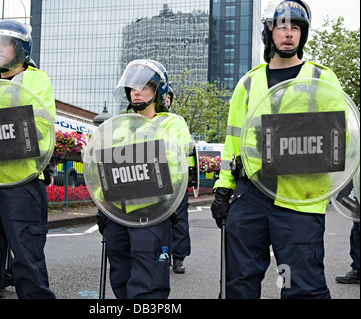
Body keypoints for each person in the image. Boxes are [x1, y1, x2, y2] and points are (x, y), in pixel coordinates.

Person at [211, 0, 343, 299]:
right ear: (269, 32)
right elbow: (233, 141)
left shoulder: (323, 79)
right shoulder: (246, 84)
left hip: (299, 198)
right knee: (238, 283)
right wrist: (222, 189)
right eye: (282, 26)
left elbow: (340, 139)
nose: (288, 33)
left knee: (300, 285)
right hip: (252, 192)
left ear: (303, 35)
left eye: (295, 27)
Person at [0, 19, 56, 299]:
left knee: (27, 255)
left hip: (22, 182)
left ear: (20, 49)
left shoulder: (36, 79)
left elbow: (41, 128)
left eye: (6, 43)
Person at [98, 59, 195, 298]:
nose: (137, 91)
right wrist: (102, 203)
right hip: (118, 213)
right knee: (120, 276)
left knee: (149, 280)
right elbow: (104, 170)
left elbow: (172, 167)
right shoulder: (119, 126)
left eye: (144, 86)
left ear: (158, 91)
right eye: (132, 87)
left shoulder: (172, 123)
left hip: (152, 212)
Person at [165, 85, 193, 274]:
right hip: (151, 183)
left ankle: (178, 258)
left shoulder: (177, 121)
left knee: (179, 222)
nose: (167, 100)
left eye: (169, 97)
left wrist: (189, 174)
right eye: (164, 96)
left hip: (176, 182)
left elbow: (188, 149)